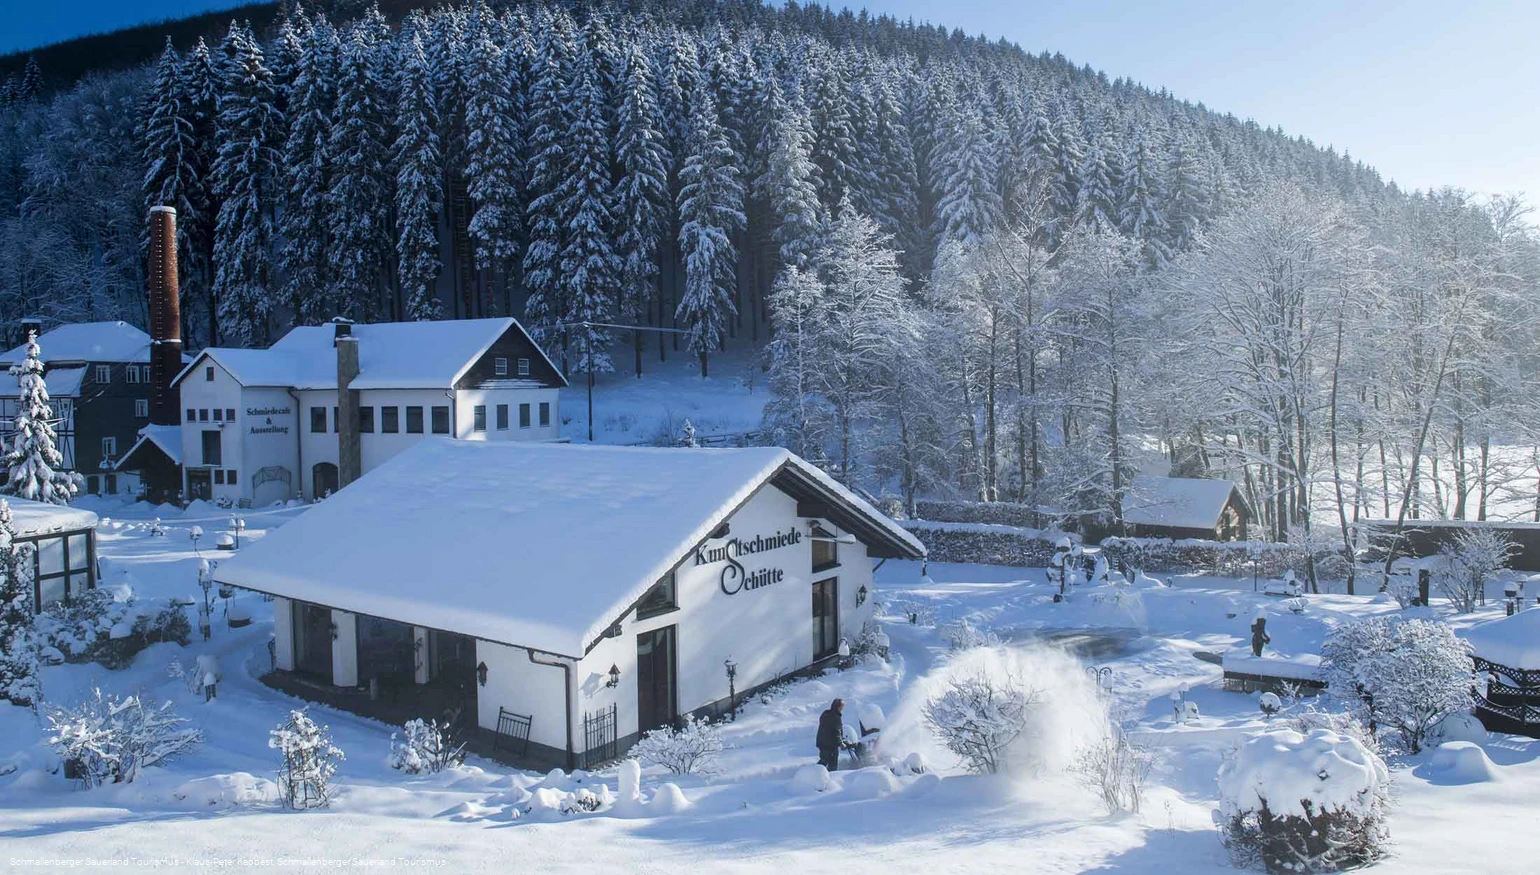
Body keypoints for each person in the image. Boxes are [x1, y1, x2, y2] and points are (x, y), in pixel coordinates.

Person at [816, 698, 845, 771]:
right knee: (832, 764)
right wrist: (840, 743)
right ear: (837, 707)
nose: (842, 709)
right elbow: (836, 731)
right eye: (841, 707)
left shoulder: (826, 714)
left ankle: (815, 772)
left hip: (822, 743)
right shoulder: (836, 716)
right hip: (831, 744)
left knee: (823, 760)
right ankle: (831, 775)